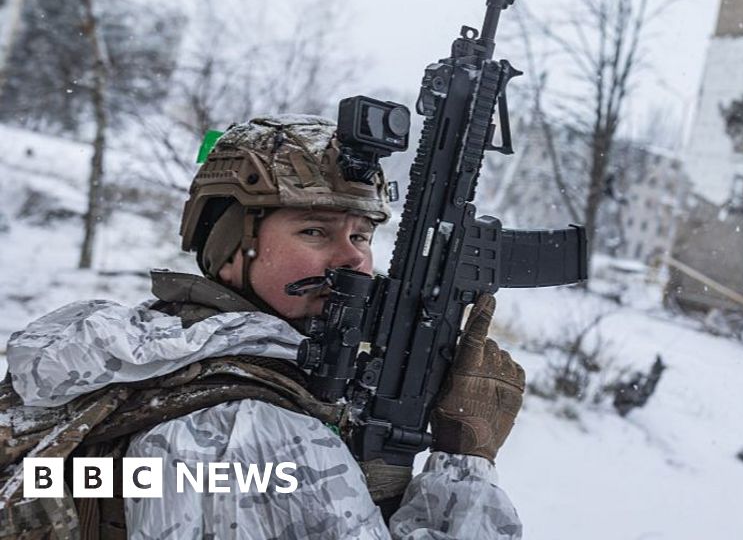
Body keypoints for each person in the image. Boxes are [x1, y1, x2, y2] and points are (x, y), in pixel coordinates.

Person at [3, 114, 526, 539]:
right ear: (231, 249)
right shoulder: (244, 430)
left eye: (363, 237)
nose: (354, 260)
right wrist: (465, 465)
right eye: (315, 230)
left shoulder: (157, 352)